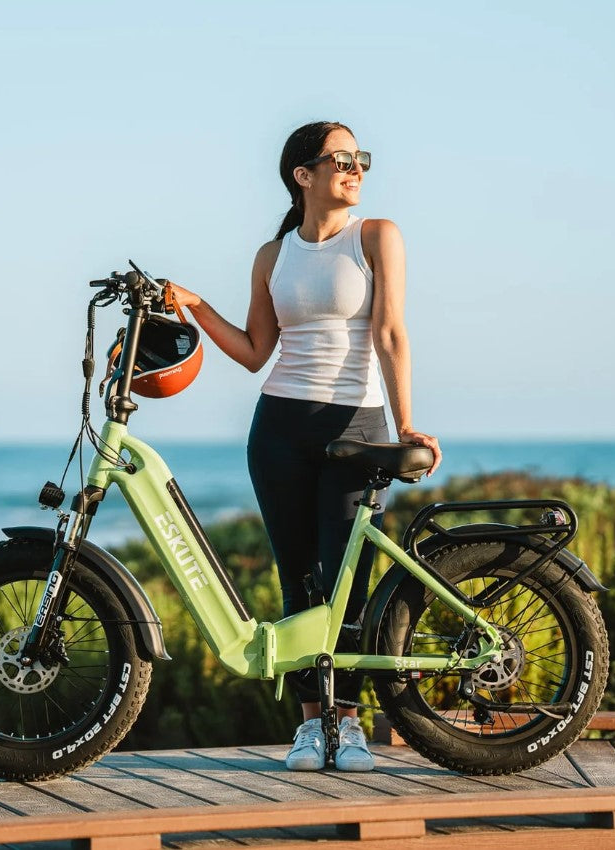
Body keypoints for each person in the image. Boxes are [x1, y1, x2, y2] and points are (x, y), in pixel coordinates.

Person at [168, 121, 441, 772]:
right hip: (280, 429)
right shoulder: (273, 254)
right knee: (300, 583)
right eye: (341, 159)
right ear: (303, 175)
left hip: (357, 425)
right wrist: (197, 305)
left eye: (359, 158)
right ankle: (309, 726)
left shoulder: (376, 237)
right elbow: (256, 351)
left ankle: (350, 725)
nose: (356, 168)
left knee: (346, 583)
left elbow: (391, 332)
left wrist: (406, 424)